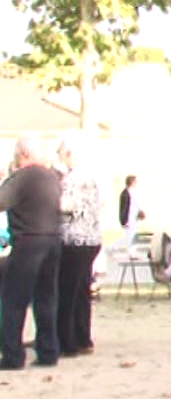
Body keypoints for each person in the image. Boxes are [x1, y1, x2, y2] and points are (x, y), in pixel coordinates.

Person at [0, 137, 64, 369]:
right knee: (46, 299)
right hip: (52, 240)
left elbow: (2, 201)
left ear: (23, 155)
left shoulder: (22, 178)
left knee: (14, 300)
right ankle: (49, 352)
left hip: (29, 242)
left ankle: (13, 356)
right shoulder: (52, 177)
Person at [55, 137, 102, 358]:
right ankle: (83, 338)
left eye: (62, 152)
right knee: (82, 290)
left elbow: (65, 206)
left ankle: (68, 341)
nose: (59, 155)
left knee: (68, 291)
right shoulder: (92, 176)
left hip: (74, 240)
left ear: (71, 154)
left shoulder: (72, 179)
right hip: (91, 239)